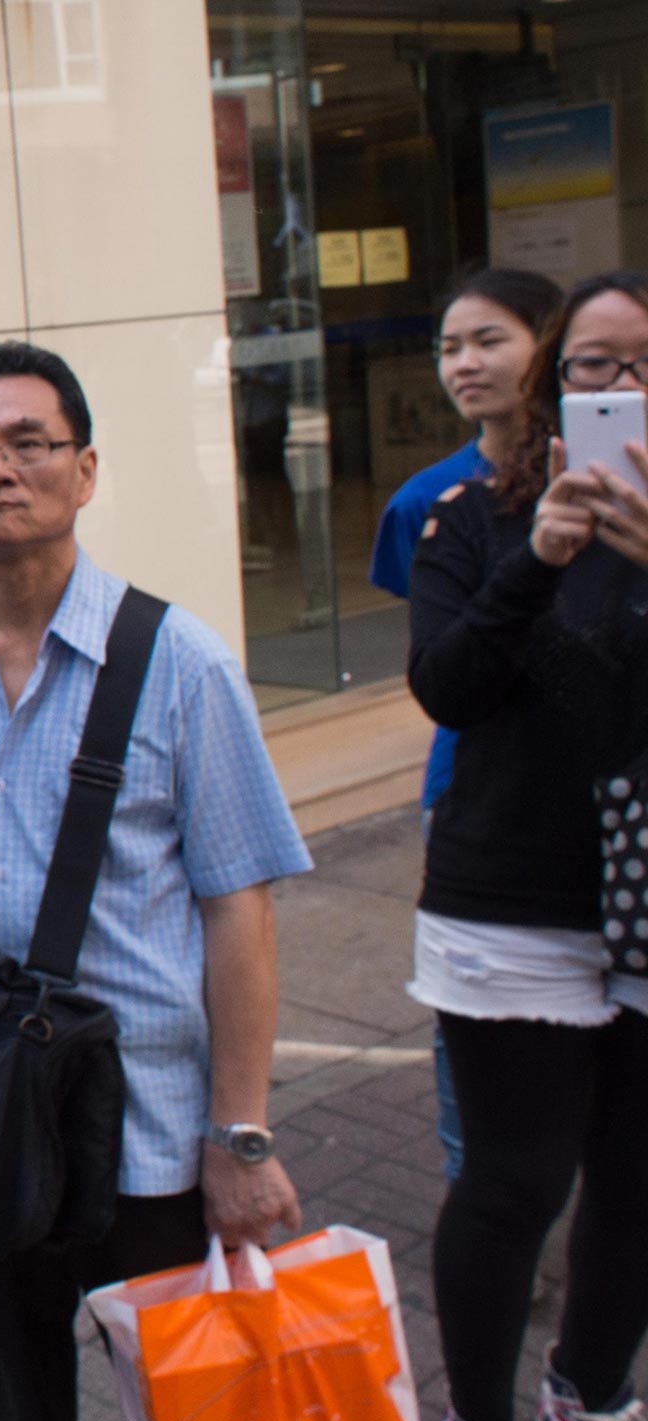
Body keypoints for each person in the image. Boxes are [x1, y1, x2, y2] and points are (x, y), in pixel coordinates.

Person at [0, 341, 311, 1421]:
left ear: (84, 470)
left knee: (186, 1400)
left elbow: (237, 910)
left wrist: (240, 1133)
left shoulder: (178, 663)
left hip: (147, 1125)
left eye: (26, 443)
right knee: (8, 1406)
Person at [409, 269, 648, 1421]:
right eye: (592, 365)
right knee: (513, 1180)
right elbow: (445, 687)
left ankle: (590, 1398)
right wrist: (540, 559)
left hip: (645, 904)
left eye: (637, 362)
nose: (615, 387)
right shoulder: (470, 517)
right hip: (511, 899)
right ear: (556, 383)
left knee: (635, 1174)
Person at [368, 268, 563, 1184]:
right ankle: (477, 1193)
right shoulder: (431, 504)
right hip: (471, 785)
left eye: (491, 340)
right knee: (477, 1027)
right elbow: (441, 653)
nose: (465, 363)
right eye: (450, 346)